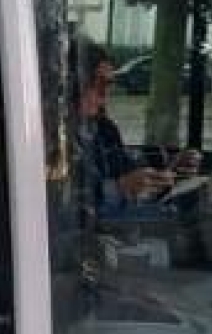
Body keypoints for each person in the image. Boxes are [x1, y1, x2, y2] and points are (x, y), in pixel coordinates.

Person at [73, 41, 199, 218]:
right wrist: (119, 189)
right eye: (95, 83)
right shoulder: (49, 139)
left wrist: (168, 170)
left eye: (108, 84)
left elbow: (128, 166)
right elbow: (63, 206)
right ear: (73, 84)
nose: (103, 93)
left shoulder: (104, 130)